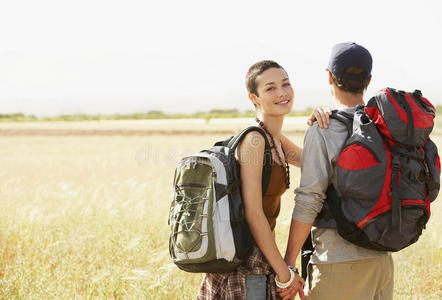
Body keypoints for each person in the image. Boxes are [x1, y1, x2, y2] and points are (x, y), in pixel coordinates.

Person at [197, 60, 330, 300]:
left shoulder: (274, 139)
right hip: (245, 262)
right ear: (253, 97)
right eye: (270, 88)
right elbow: (253, 212)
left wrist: (320, 123)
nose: (282, 92)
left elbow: (316, 163)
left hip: (262, 257)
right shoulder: (255, 140)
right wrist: (285, 273)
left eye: (286, 84)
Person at [281, 42, 394, 300]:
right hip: (382, 261)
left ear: (330, 77)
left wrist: (288, 264)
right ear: (369, 79)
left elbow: (310, 200)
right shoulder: (386, 126)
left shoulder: (324, 128)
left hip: (338, 263)